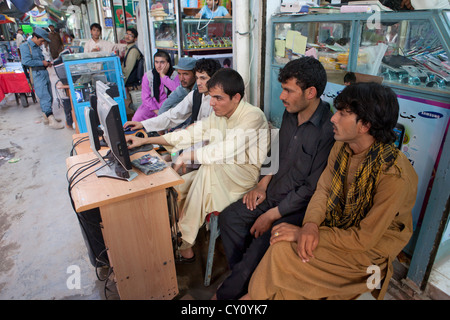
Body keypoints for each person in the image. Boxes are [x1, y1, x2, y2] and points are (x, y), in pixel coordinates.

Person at [244, 82, 418, 300]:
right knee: (282, 248)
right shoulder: (342, 147)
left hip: (366, 251)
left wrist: (303, 233)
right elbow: (323, 190)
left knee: (283, 252)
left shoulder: (393, 175)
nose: (333, 119)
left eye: (343, 114)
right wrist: (310, 225)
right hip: (336, 227)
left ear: (364, 125)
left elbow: (364, 238)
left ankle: (252, 298)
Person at [215, 56, 335, 300]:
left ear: (310, 92)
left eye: (288, 90)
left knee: (264, 243)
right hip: (272, 192)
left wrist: (271, 215)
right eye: (283, 89)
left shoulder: (328, 130)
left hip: (295, 208)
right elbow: (276, 150)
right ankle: (248, 281)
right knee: (230, 219)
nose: (282, 96)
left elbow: (312, 189)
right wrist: (262, 184)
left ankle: (230, 293)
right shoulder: (292, 111)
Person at [125, 68, 269, 262]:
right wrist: (149, 141)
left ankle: (182, 241)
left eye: (218, 98)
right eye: (211, 97)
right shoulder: (219, 115)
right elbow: (190, 134)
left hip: (243, 177)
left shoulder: (253, 116)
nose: (212, 103)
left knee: (208, 169)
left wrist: (187, 155)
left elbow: (225, 150)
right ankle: (172, 237)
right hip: (219, 172)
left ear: (236, 97)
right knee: (178, 187)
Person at [124, 58, 221, 133]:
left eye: (203, 78)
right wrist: (143, 124)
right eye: (197, 78)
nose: (199, 82)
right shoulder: (194, 94)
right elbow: (173, 115)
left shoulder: (221, 101)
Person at [20, 27, 64, 129]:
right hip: (37, 74)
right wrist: (41, 63)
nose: (42, 43)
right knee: (44, 96)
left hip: (44, 72)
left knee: (49, 94)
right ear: (35, 37)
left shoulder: (37, 47)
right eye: (42, 40)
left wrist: (46, 63)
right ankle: (51, 120)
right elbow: (26, 62)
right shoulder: (25, 46)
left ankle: (46, 116)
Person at [131, 50, 179, 121]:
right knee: (137, 118)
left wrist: (163, 76)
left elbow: (177, 91)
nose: (159, 66)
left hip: (168, 106)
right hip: (151, 107)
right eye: (156, 62)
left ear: (168, 63)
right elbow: (145, 97)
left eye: (162, 62)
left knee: (167, 122)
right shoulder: (148, 76)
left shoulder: (175, 75)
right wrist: (157, 111)